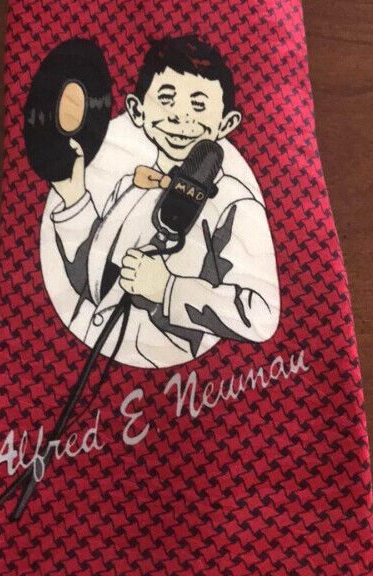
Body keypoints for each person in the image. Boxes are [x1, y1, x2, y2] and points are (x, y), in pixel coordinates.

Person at [40, 36, 280, 368]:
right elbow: (93, 284)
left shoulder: (235, 204)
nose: (180, 118)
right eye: (166, 99)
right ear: (137, 111)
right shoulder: (131, 184)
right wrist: (74, 202)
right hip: (90, 363)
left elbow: (262, 315)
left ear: (227, 123)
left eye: (198, 105)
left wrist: (167, 289)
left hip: (161, 378)